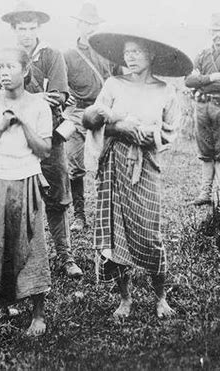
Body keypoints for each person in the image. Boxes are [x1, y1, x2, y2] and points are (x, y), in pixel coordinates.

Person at [83, 31, 192, 318]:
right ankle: (125, 298)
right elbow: (95, 121)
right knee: (117, 231)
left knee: (150, 231)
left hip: (147, 165)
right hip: (115, 165)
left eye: (137, 52)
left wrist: (147, 133)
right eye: (127, 52)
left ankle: (161, 297)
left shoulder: (166, 91)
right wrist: (121, 128)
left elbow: (171, 131)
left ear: (152, 55)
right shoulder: (113, 84)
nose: (130, 57)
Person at [0, 47, 52, 337]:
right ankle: (4, 308)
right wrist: (2, 126)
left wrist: (23, 123)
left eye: (10, 67)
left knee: (31, 244)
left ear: (26, 70)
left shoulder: (39, 106)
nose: (3, 73)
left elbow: (44, 149)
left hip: (27, 179)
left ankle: (38, 315)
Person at [1, 1, 83, 278]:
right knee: (19, 199)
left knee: (57, 197)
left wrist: (22, 97)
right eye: (21, 28)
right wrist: (35, 98)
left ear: (39, 28)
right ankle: (23, 260)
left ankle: (66, 257)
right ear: (13, 30)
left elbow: (58, 95)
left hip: (50, 136)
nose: (26, 33)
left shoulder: (51, 55)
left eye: (31, 28)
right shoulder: (5, 58)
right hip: (17, 139)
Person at [64, 2, 121, 232]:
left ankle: (105, 214)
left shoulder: (108, 52)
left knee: (104, 164)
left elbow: (120, 81)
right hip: (77, 113)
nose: (89, 28)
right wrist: (64, 97)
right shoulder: (67, 55)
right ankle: (79, 215)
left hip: (103, 113)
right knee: (75, 166)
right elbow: (60, 83)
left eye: (93, 24)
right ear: (78, 25)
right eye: (85, 23)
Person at [185, 13, 220, 206]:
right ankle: (205, 193)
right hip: (201, 107)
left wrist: (201, 84)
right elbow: (188, 80)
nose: (218, 35)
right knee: (205, 151)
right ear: (210, 32)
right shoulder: (202, 55)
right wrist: (210, 78)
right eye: (214, 31)